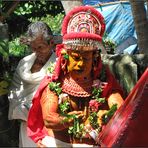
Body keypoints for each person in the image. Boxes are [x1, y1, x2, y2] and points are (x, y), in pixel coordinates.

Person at [27, 6, 124, 147]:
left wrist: (108, 114)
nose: (80, 64)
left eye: (86, 59)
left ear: (95, 59)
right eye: (76, 58)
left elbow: (120, 108)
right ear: (66, 57)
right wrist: (68, 120)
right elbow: (49, 119)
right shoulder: (54, 81)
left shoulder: (104, 79)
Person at [8, 21, 56, 147]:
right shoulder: (24, 63)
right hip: (26, 124)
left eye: (40, 47)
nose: (37, 52)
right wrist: (24, 110)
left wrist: (40, 113)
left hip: (48, 127)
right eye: (33, 48)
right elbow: (14, 91)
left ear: (51, 43)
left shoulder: (58, 64)